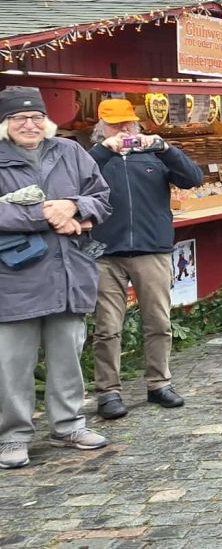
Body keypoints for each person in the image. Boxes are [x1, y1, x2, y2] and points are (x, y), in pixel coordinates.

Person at [0, 87, 112, 470]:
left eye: (35, 118)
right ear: (5, 124)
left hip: (68, 272)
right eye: (19, 118)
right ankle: (13, 435)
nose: (29, 124)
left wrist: (74, 206)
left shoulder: (70, 152)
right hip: (14, 278)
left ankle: (68, 425)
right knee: (12, 363)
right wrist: (46, 215)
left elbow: (101, 197)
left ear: (46, 121)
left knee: (68, 356)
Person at [88, 98, 203, 420]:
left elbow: (193, 178)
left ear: (137, 123)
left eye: (127, 123)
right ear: (101, 128)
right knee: (107, 328)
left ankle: (158, 383)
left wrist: (165, 148)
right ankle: (108, 392)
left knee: (159, 322)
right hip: (105, 253)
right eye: (115, 125)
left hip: (152, 249)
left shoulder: (154, 154)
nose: (123, 129)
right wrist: (103, 151)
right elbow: (73, 182)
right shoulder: (92, 158)